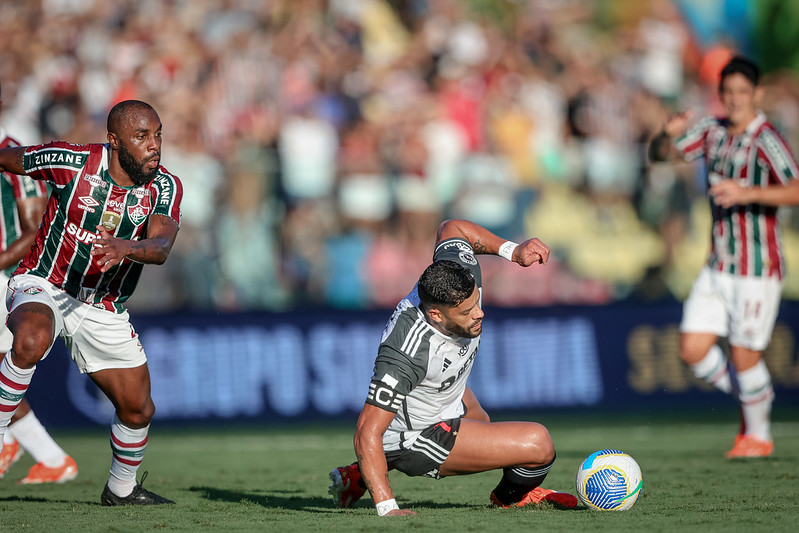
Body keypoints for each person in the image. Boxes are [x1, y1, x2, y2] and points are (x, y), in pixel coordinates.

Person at [328, 219, 577, 516]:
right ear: (435, 314)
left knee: (483, 425)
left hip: (441, 390)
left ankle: (356, 477)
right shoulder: (406, 353)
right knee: (538, 443)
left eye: (476, 302)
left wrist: (513, 251)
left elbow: (452, 228)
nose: (480, 313)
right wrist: (387, 507)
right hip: (415, 434)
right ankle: (512, 498)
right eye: (468, 311)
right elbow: (366, 430)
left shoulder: (459, 273)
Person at [0, 100, 182, 504]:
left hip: (103, 306)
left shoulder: (164, 186)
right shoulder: (71, 161)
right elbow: (10, 159)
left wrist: (126, 246)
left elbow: (163, 245)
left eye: (158, 134)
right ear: (114, 141)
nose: (154, 145)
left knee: (138, 409)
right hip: (44, 283)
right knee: (30, 339)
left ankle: (121, 489)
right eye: (142, 136)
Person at [649, 56, 799, 458]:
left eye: (742, 92)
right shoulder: (712, 132)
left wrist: (747, 192)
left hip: (757, 267)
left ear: (757, 94)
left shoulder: (767, 138)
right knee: (691, 350)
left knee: (745, 355)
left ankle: (758, 436)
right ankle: (754, 400)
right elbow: (662, 156)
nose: (734, 100)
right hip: (717, 264)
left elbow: (796, 187)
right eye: (728, 92)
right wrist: (666, 135)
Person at [0, 82, 78, 483]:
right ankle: (48, 457)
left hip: (6, 277)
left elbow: (33, 229)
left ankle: (32, 452)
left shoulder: (13, 154)